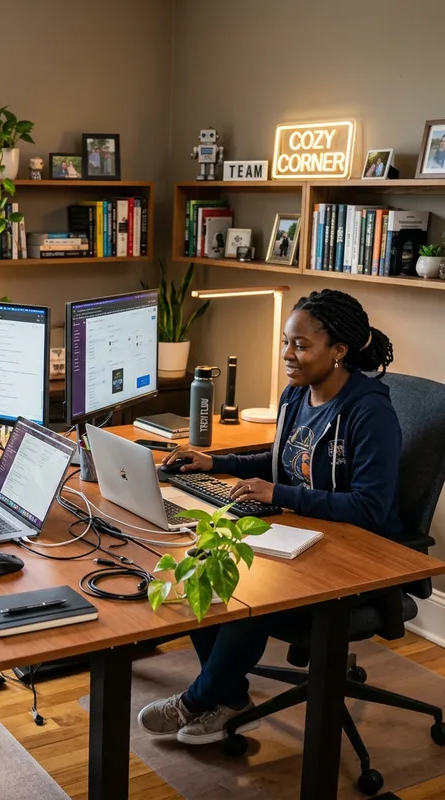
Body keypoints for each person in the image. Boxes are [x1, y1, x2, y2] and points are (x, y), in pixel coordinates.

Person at [138, 288, 400, 746]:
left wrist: (280, 493)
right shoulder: (297, 395)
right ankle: (232, 699)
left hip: (353, 551)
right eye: (286, 342)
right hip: (297, 533)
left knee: (247, 586)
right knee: (201, 563)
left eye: (301, 345)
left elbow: (371, 507)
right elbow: (281, 460)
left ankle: (198, 701)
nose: (287, 355)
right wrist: (215, 463)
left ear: (338, 351)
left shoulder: (369, 412)